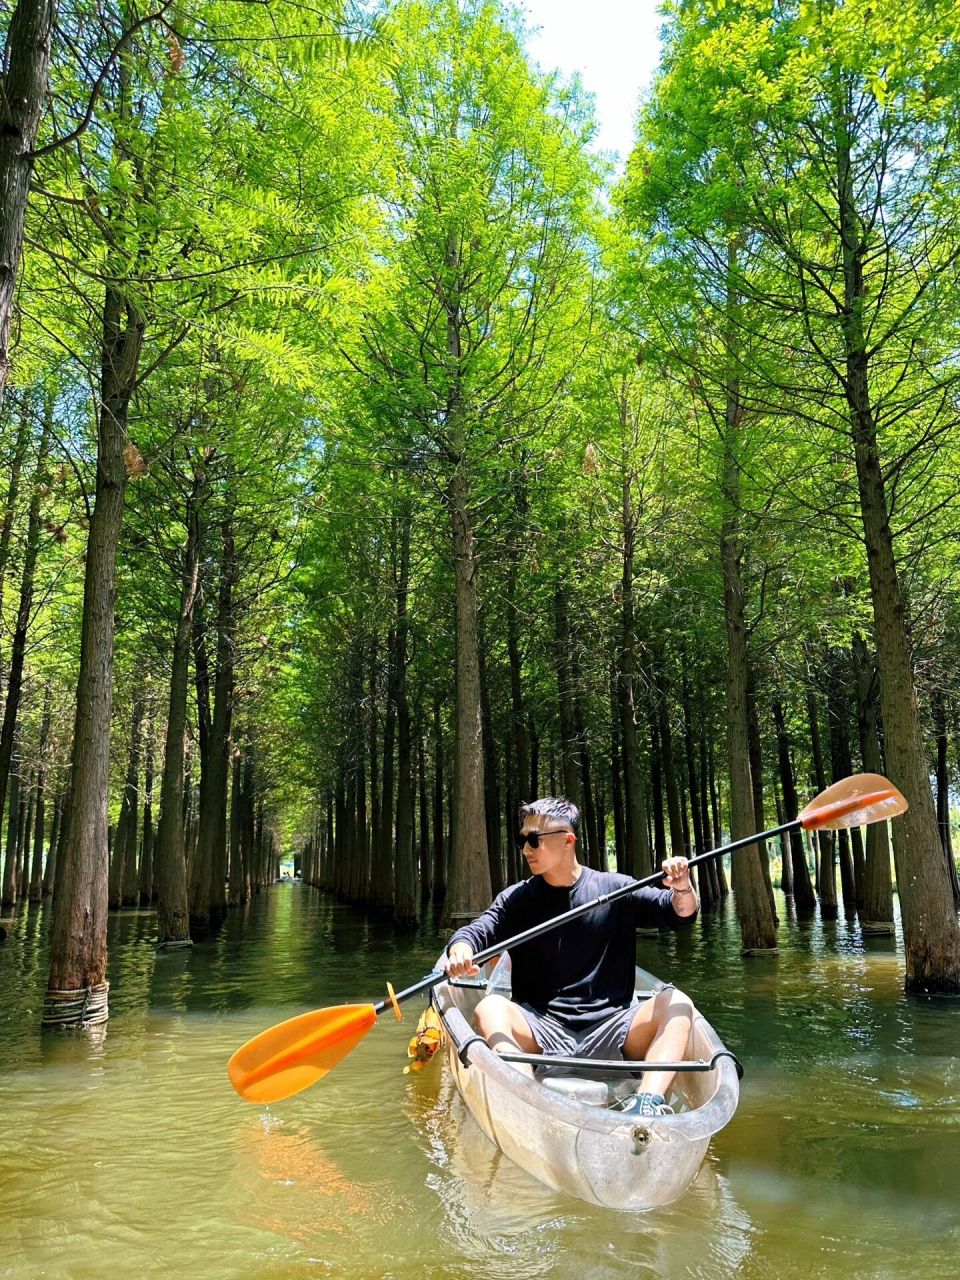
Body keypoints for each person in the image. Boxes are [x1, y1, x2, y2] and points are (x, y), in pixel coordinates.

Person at [442, 797, 698, 1117]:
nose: (525, 849)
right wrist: (461, 950)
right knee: (489, 1007)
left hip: (613, 1027)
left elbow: (678, 915)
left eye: (534, 840)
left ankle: (646, 1104)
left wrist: (683, 887)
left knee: (678, 1002)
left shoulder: (614, 888)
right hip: (541, 1028)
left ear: (567, 840)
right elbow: (475, 933)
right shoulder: (517, 899)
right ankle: (526, 1102)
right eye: (522, 840)